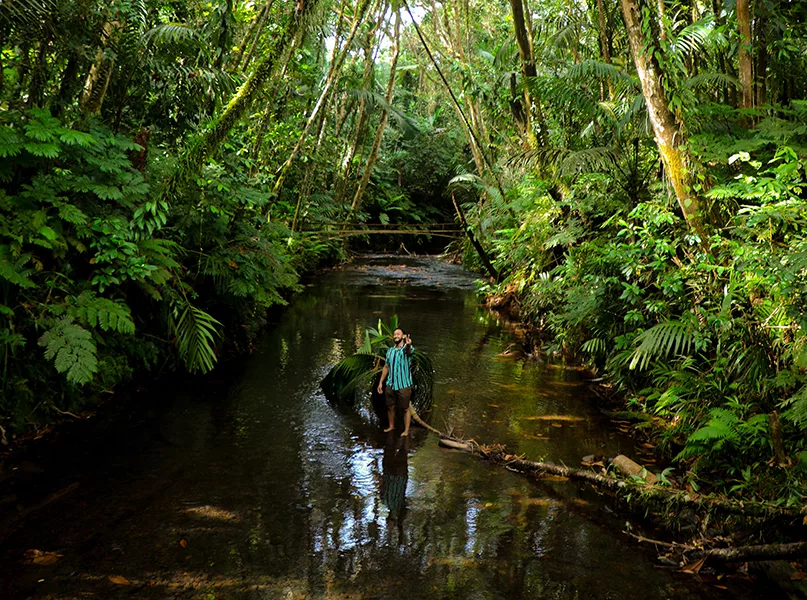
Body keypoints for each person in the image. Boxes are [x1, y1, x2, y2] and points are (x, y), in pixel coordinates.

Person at [377, 327, 414, 436]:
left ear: (403, 336)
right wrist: (380, 382)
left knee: (405, 408)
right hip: (391, 384)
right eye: (394, 334)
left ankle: (406, 430)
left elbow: (409, 351)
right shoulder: (390, 351)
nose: (396, 336)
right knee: (390, 406)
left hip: (403, 384)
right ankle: (391, 426)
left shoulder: (407, 349)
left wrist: (408, 345)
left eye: (398, 334)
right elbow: (386, 367)